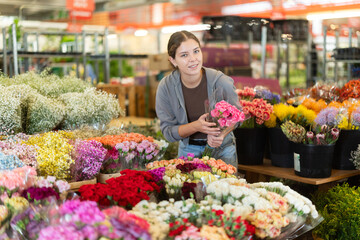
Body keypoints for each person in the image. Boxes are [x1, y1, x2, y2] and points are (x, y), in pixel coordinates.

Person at [155, 30, 240, 167]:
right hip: (188, 150)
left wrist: (222, 135)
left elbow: (237, 117)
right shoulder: (166, 87)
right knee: (189, 188)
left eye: (196, 51)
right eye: (184, 55)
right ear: (173, 60)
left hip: (222, 149)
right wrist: (196, 126)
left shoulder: (221, 81)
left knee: (225, 187)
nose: (193, 59)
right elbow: (168, 132)